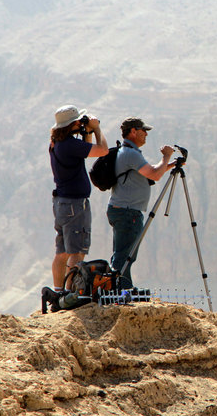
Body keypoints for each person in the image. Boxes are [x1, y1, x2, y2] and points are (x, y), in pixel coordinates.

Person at [107, 117, 175, 290]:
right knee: (125, 255)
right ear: (133, 132)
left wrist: (170, 164)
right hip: (128, 212)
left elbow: (149, 172)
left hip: (124, 210)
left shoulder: (128, 152)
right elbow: (154, 175)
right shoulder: (130, 153)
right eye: (143, 130)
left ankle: (122, 288)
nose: (146, 134)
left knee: (124, 253)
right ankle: (121, 291)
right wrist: (166, 156)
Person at [49, 105, 109, 292]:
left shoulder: (57, 143)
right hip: (75, 204)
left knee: (62, 252)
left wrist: (86, 132)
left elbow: (85, 150)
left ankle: (59, 292)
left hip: (62, 204)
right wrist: (97, 128)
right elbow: (103, 150)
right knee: (77, 252)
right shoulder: (70, 145)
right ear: (74, 123)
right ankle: (71, 293)